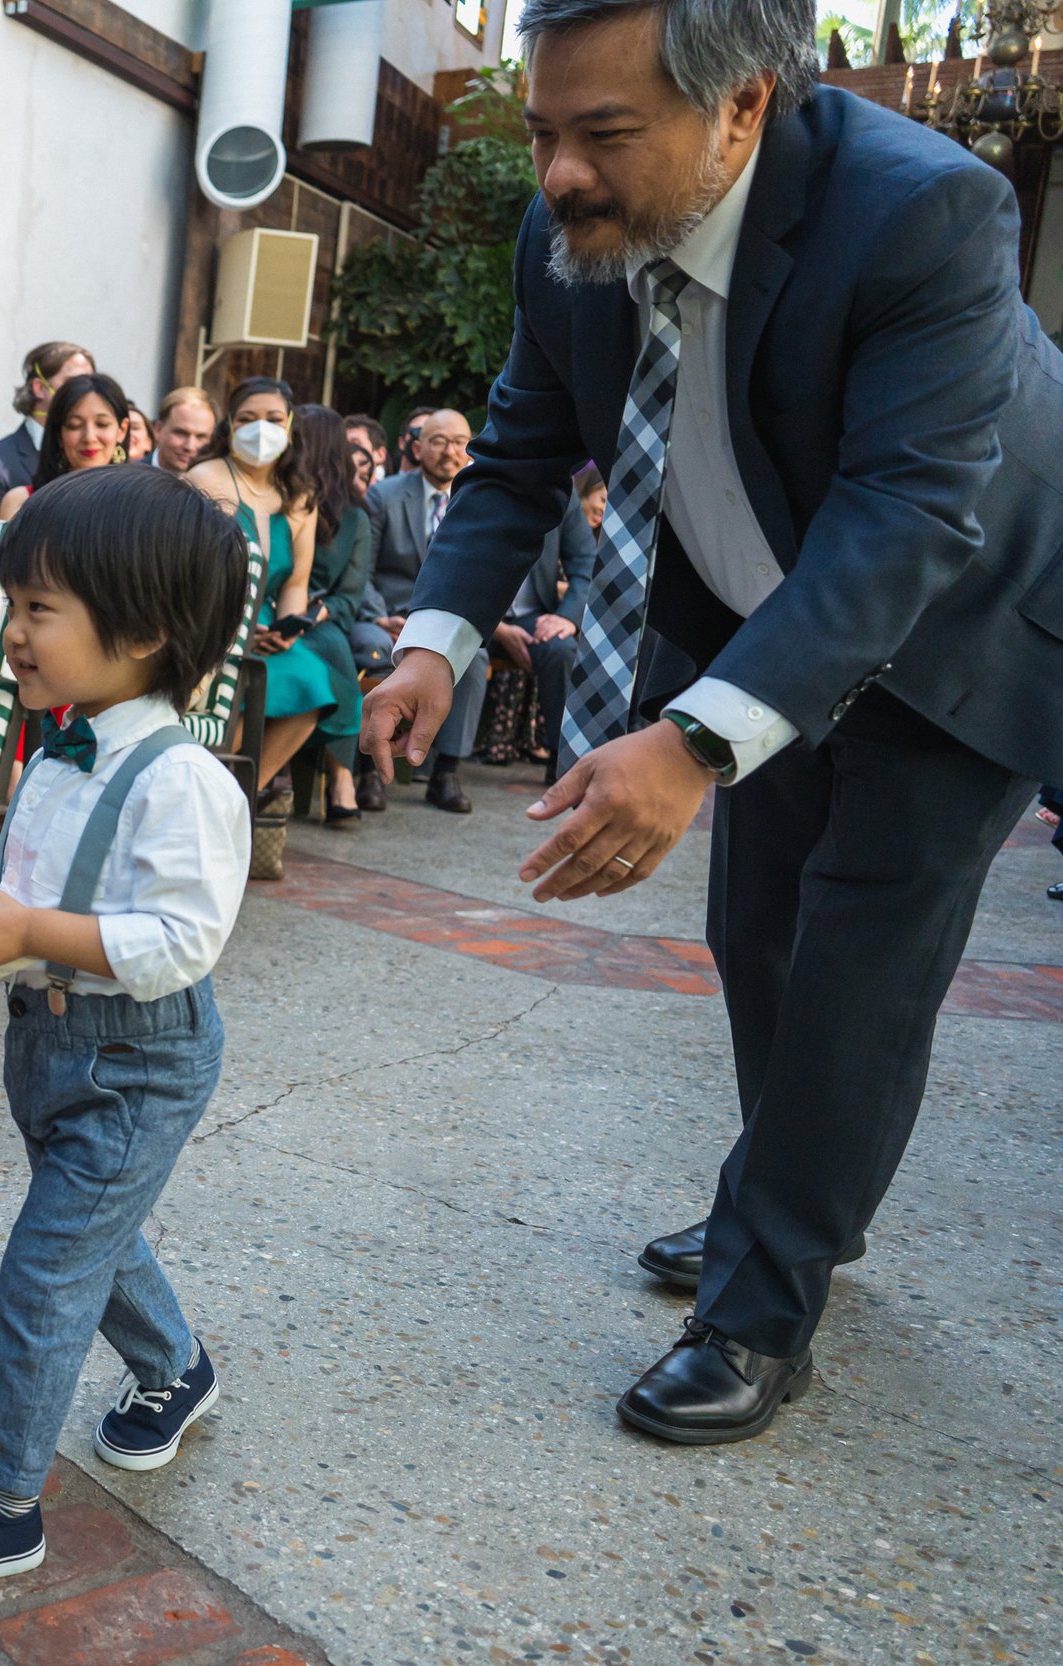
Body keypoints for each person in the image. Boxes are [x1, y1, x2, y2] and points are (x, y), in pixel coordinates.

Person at [363, 0, 1061, 1446]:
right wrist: (432, 641)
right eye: (548, 129)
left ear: (745, 106)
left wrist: (687, 745)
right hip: (763, 622)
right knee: (761, 938)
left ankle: (761, 1304)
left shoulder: (926, 210)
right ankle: (788, 1202)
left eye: (604, 134)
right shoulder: (571, 238)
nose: (559, 173)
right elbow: (514, 456)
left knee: (855, 972)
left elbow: (902, 517)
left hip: (956, 631)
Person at [0, 464, 247, 1596]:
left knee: (47, 1264)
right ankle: (173, 1367)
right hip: (49, 1044)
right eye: (13, 603)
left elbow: (178, 940)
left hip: (138, 1059)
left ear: (141, 631)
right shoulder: (62, 751)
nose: (10, 631)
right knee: (93, 1236)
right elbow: (36, 898)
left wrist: (32, 926)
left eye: (38, 608)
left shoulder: (184, 781)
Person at [185, 377, 340, 793]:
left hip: (268, 624)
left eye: (273, 419)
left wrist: (287, 629)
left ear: (290, 426)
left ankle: (243, 794)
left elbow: (296, 581)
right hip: (208, 621)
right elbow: (183, 571)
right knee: (238, 694)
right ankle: (206, 791)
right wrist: (237, 632)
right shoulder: (203, 478)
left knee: (309, 677)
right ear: (230, 427)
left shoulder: (300, 494)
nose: (261, 428)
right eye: (248, 419)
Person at [361, 408, 484, 812]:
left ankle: (446, 772)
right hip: (388, 617)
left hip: (446, 621)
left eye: (458, 442)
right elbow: (361, 569)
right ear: (417, 447)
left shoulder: (481, 500)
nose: (449, 451)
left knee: (474, 658)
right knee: (376, 649)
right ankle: (369, 772)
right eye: (438, 441)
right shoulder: (385, 495)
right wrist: (383, 615)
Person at [481, 466, 600, 783]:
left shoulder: (564, 493)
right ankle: (443, 767)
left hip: (533, 614)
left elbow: (586, 563)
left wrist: (567, 617)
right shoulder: (480, 485)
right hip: (476, 612)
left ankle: (562, 759)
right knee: (463, 652)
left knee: (561, 648)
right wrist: (497, 628)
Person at [287, 404, 370, 823]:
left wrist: (307, 616)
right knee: (331, 656)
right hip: (266, 612)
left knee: (333, 647)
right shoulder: (276, 498)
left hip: (319, 619)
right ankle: (338, 778)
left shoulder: (354, 518)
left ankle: (341, 778)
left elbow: (348, 598)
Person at [0, 340, 95, 517]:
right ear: (40, 388)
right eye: (74, 382)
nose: (86, 391)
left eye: (90, 380)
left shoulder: (97, 451)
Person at [0, 372, 130, 520]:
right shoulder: (21, 502)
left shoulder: (139, 502)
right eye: (74, 425)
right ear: (59, 434)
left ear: (122, 430)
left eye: (102, 424)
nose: (89, 437)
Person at [151, 387, 218, 476]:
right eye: (181, 433)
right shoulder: (129, 479)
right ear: (158, 430)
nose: (190, 447)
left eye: (200, 437)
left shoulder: (218, 485)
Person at [344, 413, 390, 486]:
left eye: (355, 444)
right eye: (343, 445)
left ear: (380, 454)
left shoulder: (393, 494)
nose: (348, 450)